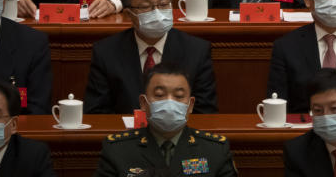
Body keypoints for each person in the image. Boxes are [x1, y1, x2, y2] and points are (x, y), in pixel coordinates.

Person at [84, 0, 217, 114]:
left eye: (163, 4)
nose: (157, 12)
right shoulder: (106, 52)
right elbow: (97, 113)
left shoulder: (196, 50)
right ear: (129, 14)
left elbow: (205, 112)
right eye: (146, 6)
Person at [93, 62, 237, 177]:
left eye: (179, 96)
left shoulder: (215, 150)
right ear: (143, 103)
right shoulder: (117, 150)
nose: (169, 102)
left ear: (190, 105)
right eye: (160, 95)